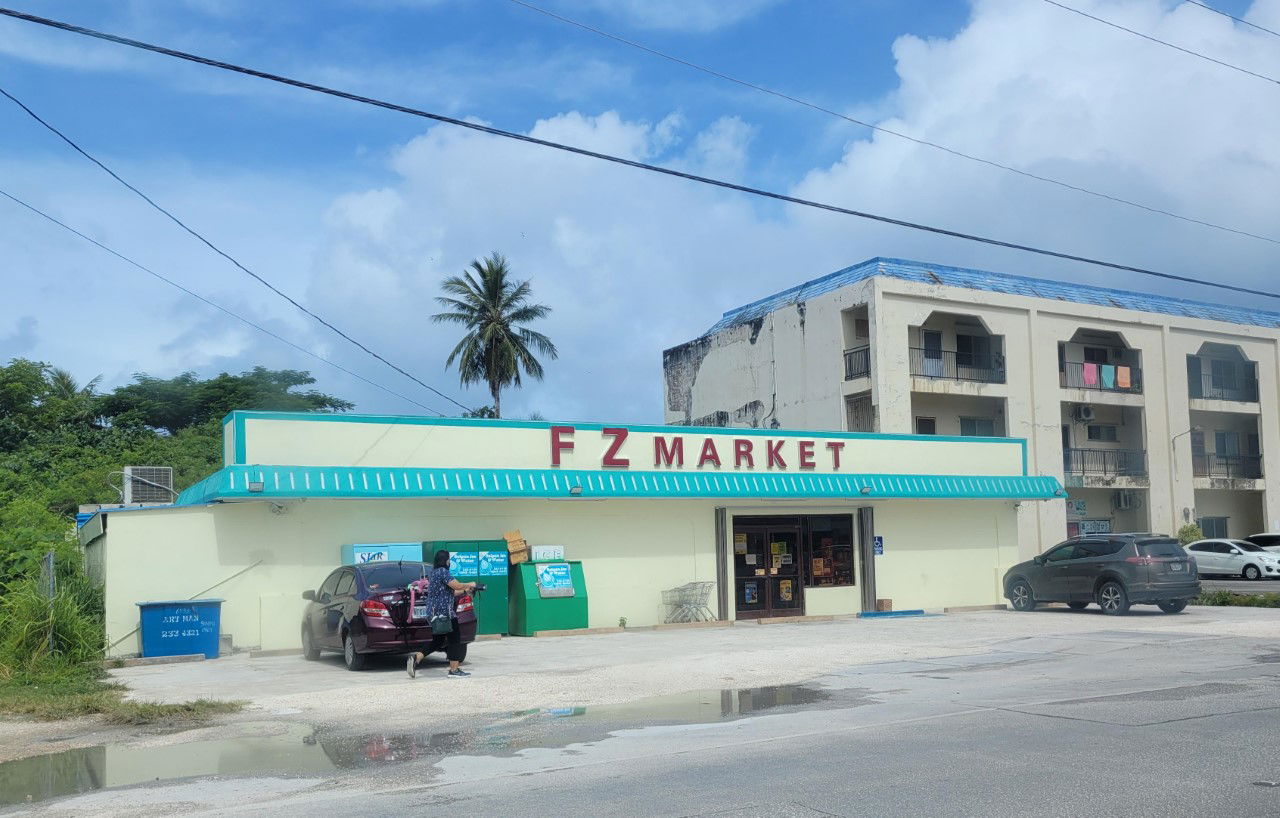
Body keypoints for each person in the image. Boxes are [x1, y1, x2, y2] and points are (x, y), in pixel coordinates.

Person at [407, 550, 477, 678]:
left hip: (434, 613)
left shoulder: (433, 573)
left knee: (438, 641)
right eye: (449, 560)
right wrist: (470, 584)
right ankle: (454, 670)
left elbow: (450, 592)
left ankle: (416, 657)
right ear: (446, 561)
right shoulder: (443, 572)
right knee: (455, 639)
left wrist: (466, 591)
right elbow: (457, 585)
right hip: (445, 613)